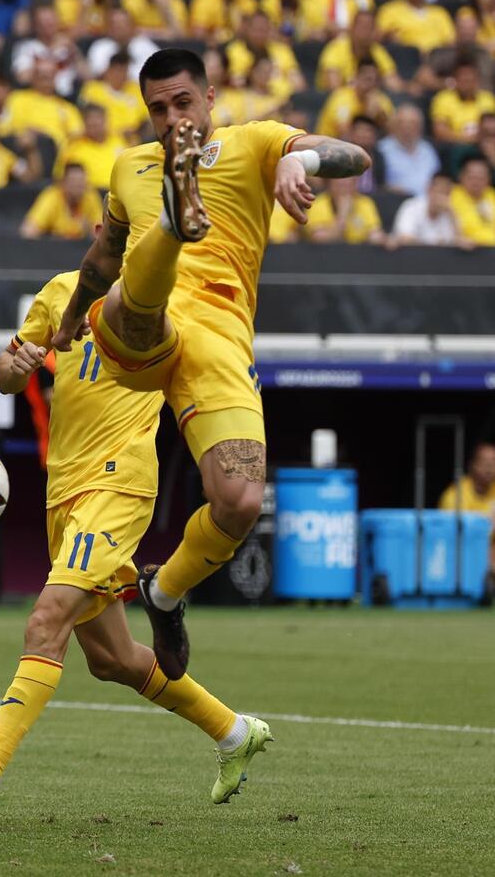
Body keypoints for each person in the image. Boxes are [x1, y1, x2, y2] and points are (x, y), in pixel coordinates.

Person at [50, 48, 369, 682]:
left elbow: (354, 155)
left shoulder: (255, 144)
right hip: (138, 328)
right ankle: (174, 219)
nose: (170, 117)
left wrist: (299, 161)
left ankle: (163, 594)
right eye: (157, 109)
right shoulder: (127, 166)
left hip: (221, 339)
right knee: (137, 299)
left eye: (182, 103)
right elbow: (99, 260)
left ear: (211, 99)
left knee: (240, 501)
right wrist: (66, 324)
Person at [0, 265, 270, 825]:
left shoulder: (170, 301)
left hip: (119, 482)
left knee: (45, 621)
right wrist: (20, 364)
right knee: (113, 661)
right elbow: (6, 375)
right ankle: (234, 732)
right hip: (64, 492)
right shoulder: (62, 291)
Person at [0, 57, 84, 148]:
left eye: (49, 75)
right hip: (22, 150)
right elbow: (3, 129)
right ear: (33, 76)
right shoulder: (16, 98)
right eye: (41, 75)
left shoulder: (67, 108)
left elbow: (77, 138)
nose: (45, 79)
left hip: (55, 154)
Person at [439, 443, 495, 523]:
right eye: (484, 462)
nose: (489, 468)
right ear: (471, 465)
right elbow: (449, 527)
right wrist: (487, 519)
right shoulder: (455, 494)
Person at [375, 0, 454, 54]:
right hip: (406, 56)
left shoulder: (439, 13)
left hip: (437, 57)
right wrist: (388, 37)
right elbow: (377, 38)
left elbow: (450, 41)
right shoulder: (389, 10)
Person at [19, 163, 102, 239]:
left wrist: (89, 232)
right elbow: (27, 232)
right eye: (74, 183)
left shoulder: (90, 196)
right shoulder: (51, 197)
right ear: (63, 183)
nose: (79, 189)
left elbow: (101, 234)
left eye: (82, 184)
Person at [316, 58, 393, 138]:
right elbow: (344, 134)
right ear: (357, 77)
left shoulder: (381, 99)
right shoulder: (342, 98)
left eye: (376, 80)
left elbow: (393, 134)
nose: (372, 84)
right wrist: (369, 115)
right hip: (330, 145)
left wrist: (381, 116)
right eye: (368, 79)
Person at [430, 57, 495, 145]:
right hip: (455, 146)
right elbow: (440, 132)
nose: (468, 85)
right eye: (464, 81)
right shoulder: (443, 99)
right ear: (456, 81)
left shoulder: (488, 98)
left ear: (478, 80)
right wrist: (467, 139)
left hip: (483, 144)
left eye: (471, 80)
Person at [54, 103, 126, 189]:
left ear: (106, 121)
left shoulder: (118, 140)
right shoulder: (74, 146)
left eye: (99, 122)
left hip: (119, 192)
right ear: (84, 123)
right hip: (90, 194)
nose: (96, 127)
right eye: (92, 124)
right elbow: (60, 177)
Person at [390, 173, 467, 248]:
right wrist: (433, 243)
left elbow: (459, 241)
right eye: (439, 191)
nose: (442, 198)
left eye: (446, 193)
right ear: (429, 189)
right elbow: (405, 238)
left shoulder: (449, 213)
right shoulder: (411, 207)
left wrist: (452, 214)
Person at [377, 104, 439, 198]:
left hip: (428, 203)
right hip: (396, 202)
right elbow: (378, 185)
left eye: (413, 123)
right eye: (402, 123)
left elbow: (437, 179)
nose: (407, 127)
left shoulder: (428, 149)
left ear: (421, 127)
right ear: (394, 126)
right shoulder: (382, 149)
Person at [305, 176, 385, 244]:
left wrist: (383, 240)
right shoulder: (318, 204)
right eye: (340, 181)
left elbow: (374, 234)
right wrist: (342, 216)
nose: (346, 182)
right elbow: (319, 239)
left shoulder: (365, 203)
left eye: (350, 179)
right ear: (330, 182)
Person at [450, 154, 495, 246]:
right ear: (461, 176)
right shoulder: (452, 195)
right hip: (463, 252)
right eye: (472, 177)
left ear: (489, 179)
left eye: (481, 178)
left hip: (493, 250)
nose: (476, 182)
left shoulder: (492, 194)